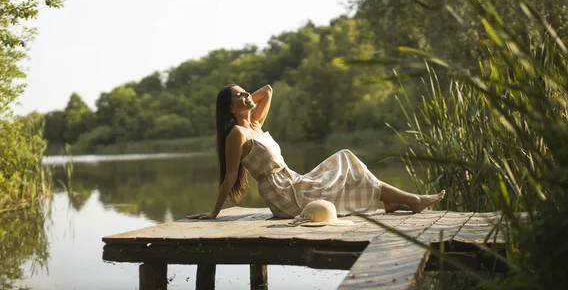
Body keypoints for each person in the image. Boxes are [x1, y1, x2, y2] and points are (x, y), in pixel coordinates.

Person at [186, 84, 445, 220]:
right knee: (346, 166)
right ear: (230, 109)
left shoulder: (255, 125)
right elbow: (230, 176)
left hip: (293, 181)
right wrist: (214, 212)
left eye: (245, 92)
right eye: (239, 96)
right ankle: (411, 200)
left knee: (346, 159)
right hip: (284, 195)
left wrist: (245, 102)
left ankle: (396, 199)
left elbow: (267, 90)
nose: (246, 96)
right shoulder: (237, 135)